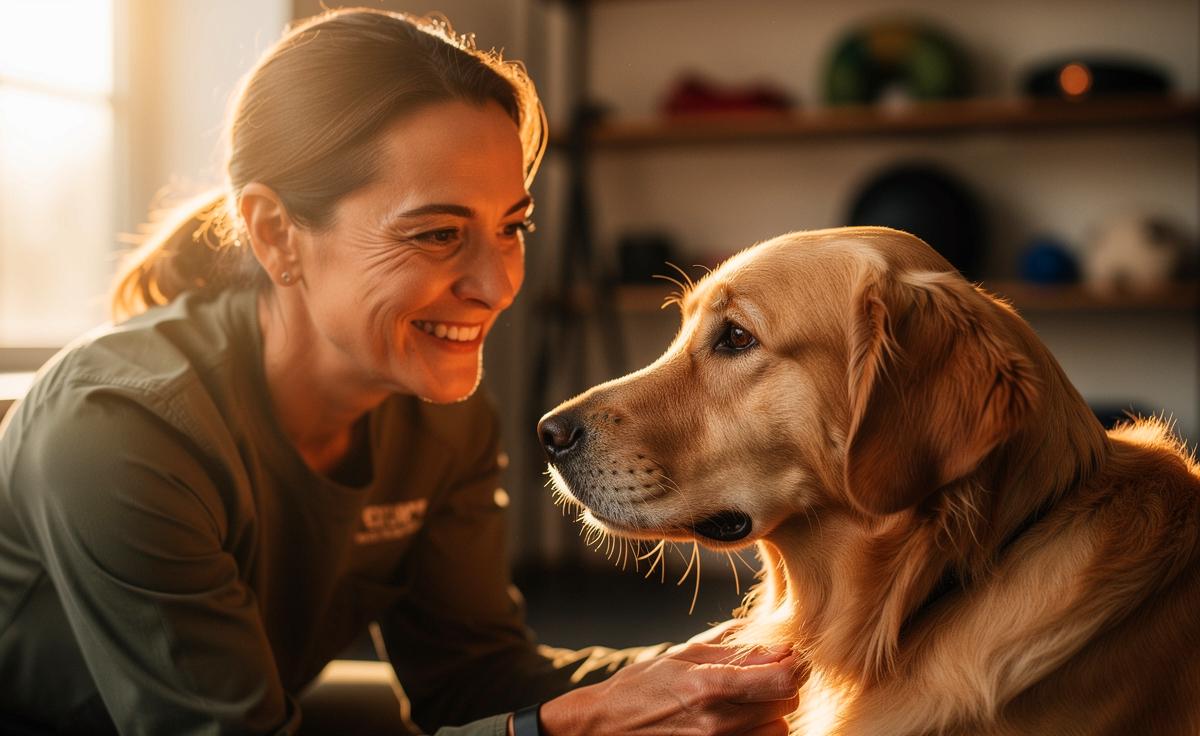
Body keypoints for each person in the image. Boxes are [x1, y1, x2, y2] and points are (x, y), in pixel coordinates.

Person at [0, 8, 806, 736]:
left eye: (510, 226)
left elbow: (473, 681)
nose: (496, 286)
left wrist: (726, 675)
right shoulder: (120, 433)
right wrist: (578, 725)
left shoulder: (438, 410)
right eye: (435, 235)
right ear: (276, 234)